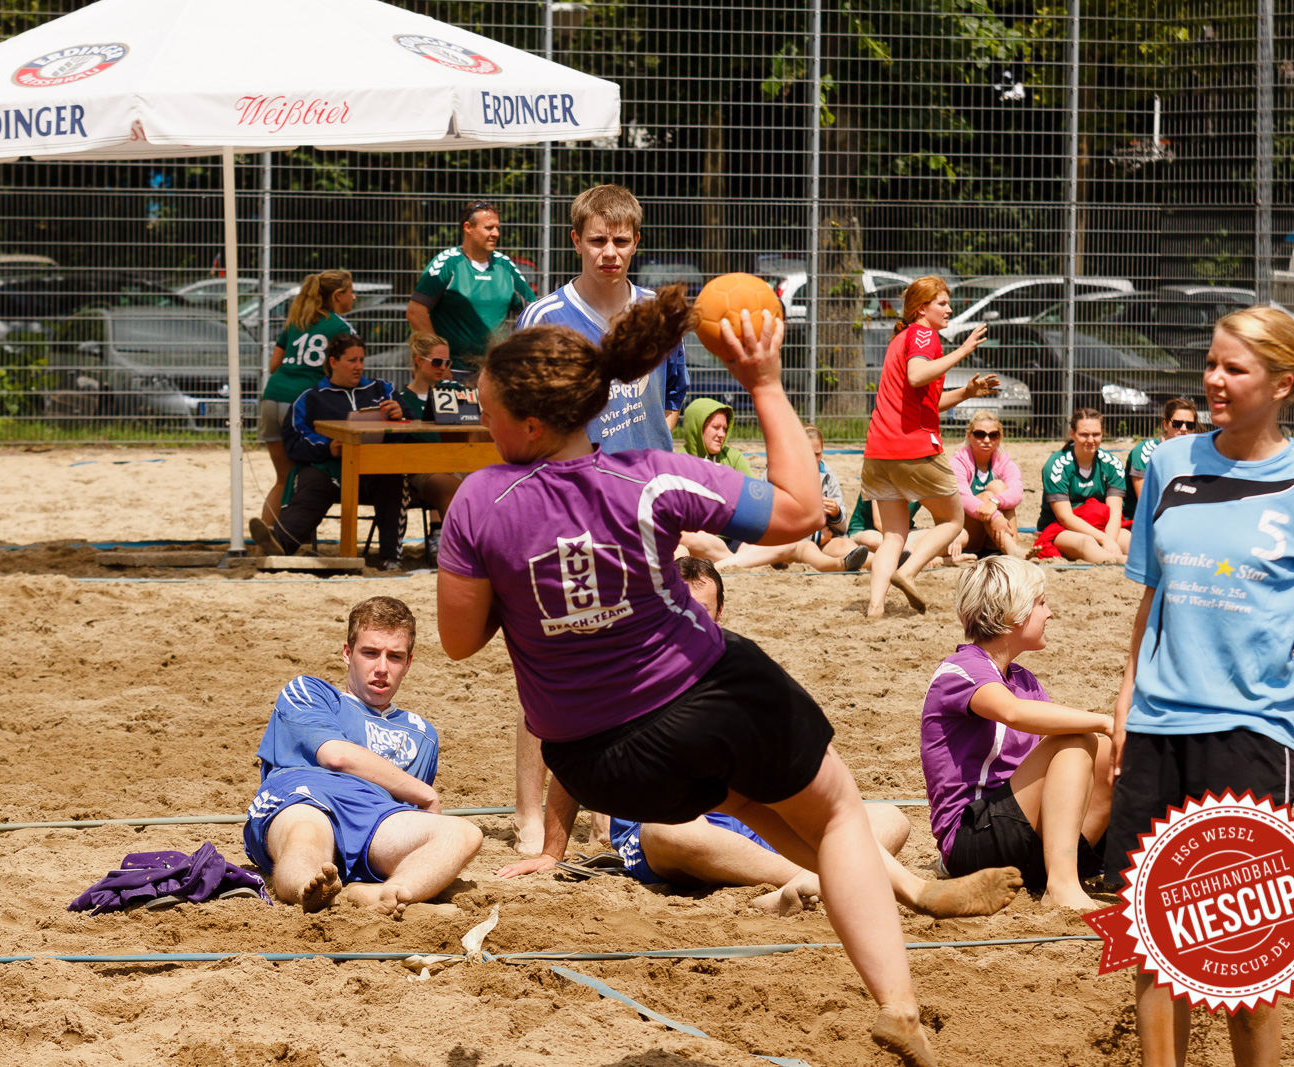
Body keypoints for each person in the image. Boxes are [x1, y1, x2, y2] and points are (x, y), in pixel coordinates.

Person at [436, 286, 1021, 1067]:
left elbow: (459, 641)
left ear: (532, 424)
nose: (481, 418)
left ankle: (910, 904)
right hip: (708, 701)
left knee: (767, 807)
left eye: (487, 408)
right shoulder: (646, 476)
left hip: (596, 764)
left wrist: (530, 593)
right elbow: (799, 510)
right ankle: (898, 1003)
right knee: (841, 813)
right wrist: (766, 384)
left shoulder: (479, 501)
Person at [1106, 306, 1294, 1067]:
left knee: (1243, 960)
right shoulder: (1169, 463)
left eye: (1234, 368)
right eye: (1212, 364)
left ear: (1283, 383)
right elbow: (1150, 598)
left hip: (1251, 734)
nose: (1214, 380)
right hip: (1157, 726)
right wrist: (1125, 700)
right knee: (1153, 942)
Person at [607, 557, 911, 917]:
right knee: (672, 833)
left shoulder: (739, 669)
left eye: (700, 610)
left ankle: (801, 886)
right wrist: (554, 847)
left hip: (756, 833)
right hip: (669, 837)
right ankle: (815, 879)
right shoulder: (631, 672)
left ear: (720, 612)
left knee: (891, 818)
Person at [241, 597, 483, 915]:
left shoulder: (422, 734)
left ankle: (382, 895)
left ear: (408, 663)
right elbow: (335, 756)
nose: (381, 668)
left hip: (375, 818)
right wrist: (423, 791)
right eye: (370, 653)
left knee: (465, 833)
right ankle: (308, 890)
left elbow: (410, 813)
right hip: (304, 795)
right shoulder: (311, 692)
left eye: (394, 657)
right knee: (306, 833)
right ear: (347, 653)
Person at [922, 557, 1113, 912]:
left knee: (1107, 752)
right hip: (969, 840)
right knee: (1080, 739)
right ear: (1013, 613)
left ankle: (1113, 864)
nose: (1050, 613)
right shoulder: (960, 670)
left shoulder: (1024, 680)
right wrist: (1104, 721)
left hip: (1020, 839)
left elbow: (1058, 770)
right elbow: (1013, 712)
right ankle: (1062, 886)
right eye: (1041, 603)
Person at [860, 275, 998, 617]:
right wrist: (963, 350)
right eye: (942, 303)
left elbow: (927, 403)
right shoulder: (924, 333)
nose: (949, 309)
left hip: (878, 450)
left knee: (893, 535)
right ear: (921, 309)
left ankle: (875, 609)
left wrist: (966, 393)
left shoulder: (900, 339)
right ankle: (907, 572)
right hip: (912, 447)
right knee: (953, 520)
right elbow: (917, 375)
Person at [515, 184, 688, 452]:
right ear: (576, 241)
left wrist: (651, 444)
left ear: (635, 244)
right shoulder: (542, 319)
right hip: (577, 485)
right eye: (597, 241)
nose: (609, 252)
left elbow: (673, 395)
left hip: (647, 481)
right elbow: (520, 410)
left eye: (621, 241)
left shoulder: (661, 312)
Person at [259, 334, 407, 569]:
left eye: (361, 360)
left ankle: (391, 559)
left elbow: (412, 430)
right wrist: (327, 447)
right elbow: (294, 440)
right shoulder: (310, 399)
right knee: (314, 482)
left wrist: (402, 416)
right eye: (352, 360)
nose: (358, 366)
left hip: (375, 473)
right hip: (329, 469)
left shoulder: (383, 390)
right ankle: (280, 542)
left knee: (393, 477)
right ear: (333, 362)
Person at [679, 413, 869, 573]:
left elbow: (840, 528)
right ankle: (720, 568)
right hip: (748, 539)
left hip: (788, 541)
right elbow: (768, 521)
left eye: (724, 428)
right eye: (715, 427)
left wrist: (835, 514)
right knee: (685, 539)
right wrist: (815, 536)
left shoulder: (826, 475)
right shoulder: (680, 460)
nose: (721, 434)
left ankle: (884, 563)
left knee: (844, 546)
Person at [255, 270, 356, 539]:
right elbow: (345, 372)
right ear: (337, 296)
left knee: (283, 478)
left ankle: (266, 533)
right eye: (350, 292)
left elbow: (274, 365)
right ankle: (287, 536)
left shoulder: (296, 322)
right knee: (304, 478)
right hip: (299, 405)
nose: (354, 296)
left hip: (272, 398)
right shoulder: (340, 328)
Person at [407, 200, 536, 374]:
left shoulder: (505, 266)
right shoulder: (447, 263)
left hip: (494, 372)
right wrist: (440, 362)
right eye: (489, 228)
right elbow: (415, 312)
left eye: (497, 228)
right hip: (453, 372)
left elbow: (534, 311)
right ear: (468, 228)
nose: (496, 233)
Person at [1033, 408, 1132, 564]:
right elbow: (1065, 517)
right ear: (1072, 434)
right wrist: (1103, 539)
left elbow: (1115, 511)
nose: (1091, 440)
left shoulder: (1112, 463)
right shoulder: (1056, 465)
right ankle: (1117, 561)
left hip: (1101, 525)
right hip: (1061, 528)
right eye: (1084, 434)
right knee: (1085, 542)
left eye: (1096, 434)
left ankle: (1123, 559)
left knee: (1128, 539)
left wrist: (1109, 540)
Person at [395, 332, 465, 550]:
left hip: (459, 462)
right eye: (436, 362)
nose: (442, 367)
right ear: (418, 361)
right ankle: (457, 549)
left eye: (447, 362)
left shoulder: (458, 393)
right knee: (451, 486)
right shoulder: (401, 400)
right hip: (421, 470)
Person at [949, 412, 1025, 559]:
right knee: (986, 495)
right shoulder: (958, 462)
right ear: (968, 435)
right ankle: (1013, 552)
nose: (986, 440)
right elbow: (962, 498)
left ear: (999, 437)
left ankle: (1012, 549)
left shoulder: (1004, 461)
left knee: (998, 488)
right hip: (968, 539)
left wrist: (995, 502)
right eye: (979, 434)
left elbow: (1017, 493)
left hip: (994, 538)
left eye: (993, 435)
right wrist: (995, 515)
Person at [1123, 397, 1200, 519]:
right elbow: (1147, 503)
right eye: (1177, 423)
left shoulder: (1196, 456)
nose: (1184, 429)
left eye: (1190, 425)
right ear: (1165, 425)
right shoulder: (1145, 452)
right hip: (1142, 519)